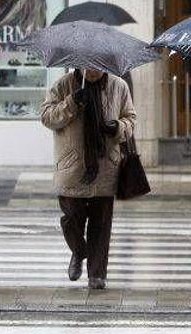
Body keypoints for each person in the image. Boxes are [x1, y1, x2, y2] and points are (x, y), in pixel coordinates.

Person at [40, 68, 136, 290]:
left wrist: (118, 127)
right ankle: (79, 251)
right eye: (88, 67)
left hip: (105, 166)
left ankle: (97, 274)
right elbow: (46, 117)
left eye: (98, 67)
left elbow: (130, 119)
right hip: (72, 167)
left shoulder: (118, 86)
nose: (93, 71)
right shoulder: (64, 85)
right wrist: (71, 103)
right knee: (71, 218)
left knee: (101, 224)